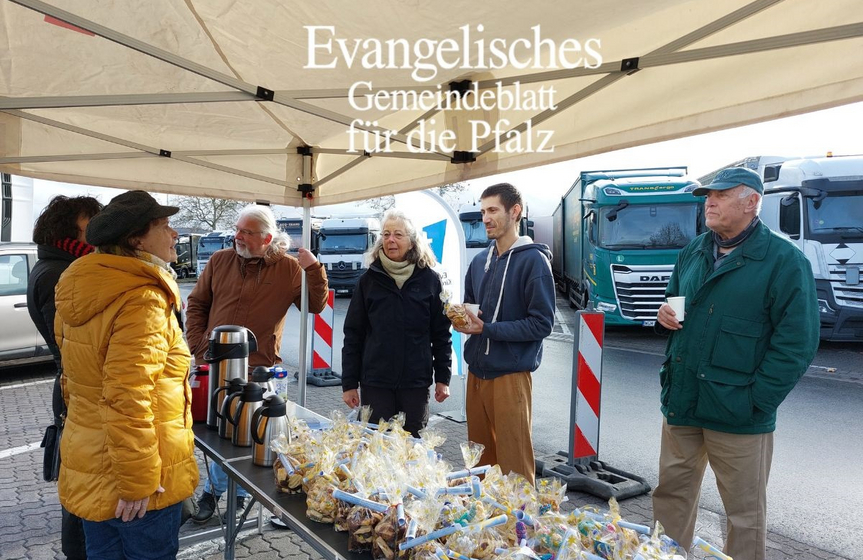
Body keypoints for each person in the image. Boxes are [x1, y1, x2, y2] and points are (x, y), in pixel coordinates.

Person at [652, 167, 819, 560]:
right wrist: (664, 315)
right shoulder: (693, 251)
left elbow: (797, 343)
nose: (710, 201)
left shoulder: (784, 262)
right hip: (684, 402)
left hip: (740, 412)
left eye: (723, 195)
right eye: (709, 195)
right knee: (671, 496)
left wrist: (756, 401)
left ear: (752, 202)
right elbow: (673, 300)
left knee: (744, 514)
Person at [54, 190, 199, 559]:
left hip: (92, 464)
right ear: (137, 239)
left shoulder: (79, 286)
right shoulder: (141, 299)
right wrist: (137, 484)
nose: (174, 234)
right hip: (137, 483)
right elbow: (128, 395)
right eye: (164, 226)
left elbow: (75, 382)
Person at [185, 204, 328, 523]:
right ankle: (222, 491)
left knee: (252, 442)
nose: (237, 236)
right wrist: (198, 344)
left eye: (246, 232)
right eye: (237, 229)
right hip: (214, 368)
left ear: (266, 238)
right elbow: (196, 304)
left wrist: (314, 269)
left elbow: (315, 306)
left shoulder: (289, 269)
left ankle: (225, 493)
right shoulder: (221, 260)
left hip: (260, 372)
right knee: (218, 436)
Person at [450, 183, 555, 484]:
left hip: (511, 377)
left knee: (515, 468)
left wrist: (489, 329)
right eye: (483, 211)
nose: (485, 218)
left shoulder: (533, 260)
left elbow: (541, 324)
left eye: (493, 210)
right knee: (480, 465)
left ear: (515, 211)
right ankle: (487, 529)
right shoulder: (479, 261)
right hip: (476, 375)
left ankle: (521, 528)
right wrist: (462, 319)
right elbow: (474, 311)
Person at [27, 195, 103, 560]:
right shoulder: (60, 272)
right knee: (80, 483)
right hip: (77, 390)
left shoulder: (61, 264)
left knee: (81, 478)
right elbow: (72, 344)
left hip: (73, 388)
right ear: (70, 226)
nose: (99, 229)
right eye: (92, 221)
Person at [341, 209, 452, 437]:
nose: (390, 240)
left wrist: (443, 378)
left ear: (412, 242)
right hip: (376, 382)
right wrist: (349, 383)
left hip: (415, 384)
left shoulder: (430, 280)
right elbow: (353, 335)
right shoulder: (368, 281)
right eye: (386, 234)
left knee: (413, 446)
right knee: (376, 443)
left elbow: (441, 334)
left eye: (398, 234)